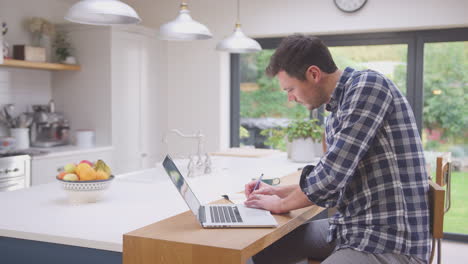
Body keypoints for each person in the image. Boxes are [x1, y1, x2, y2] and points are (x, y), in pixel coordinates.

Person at [244, 34, 430, 264]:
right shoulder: (336, 112)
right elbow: (335, 184)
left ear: (313, 74)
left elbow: (331, 176)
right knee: (263, 251)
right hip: (352, 229)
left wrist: (282, 204)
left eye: (290, 89)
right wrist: (278, 192)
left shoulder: (369, 86)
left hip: (389, 241)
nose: (290, 99)